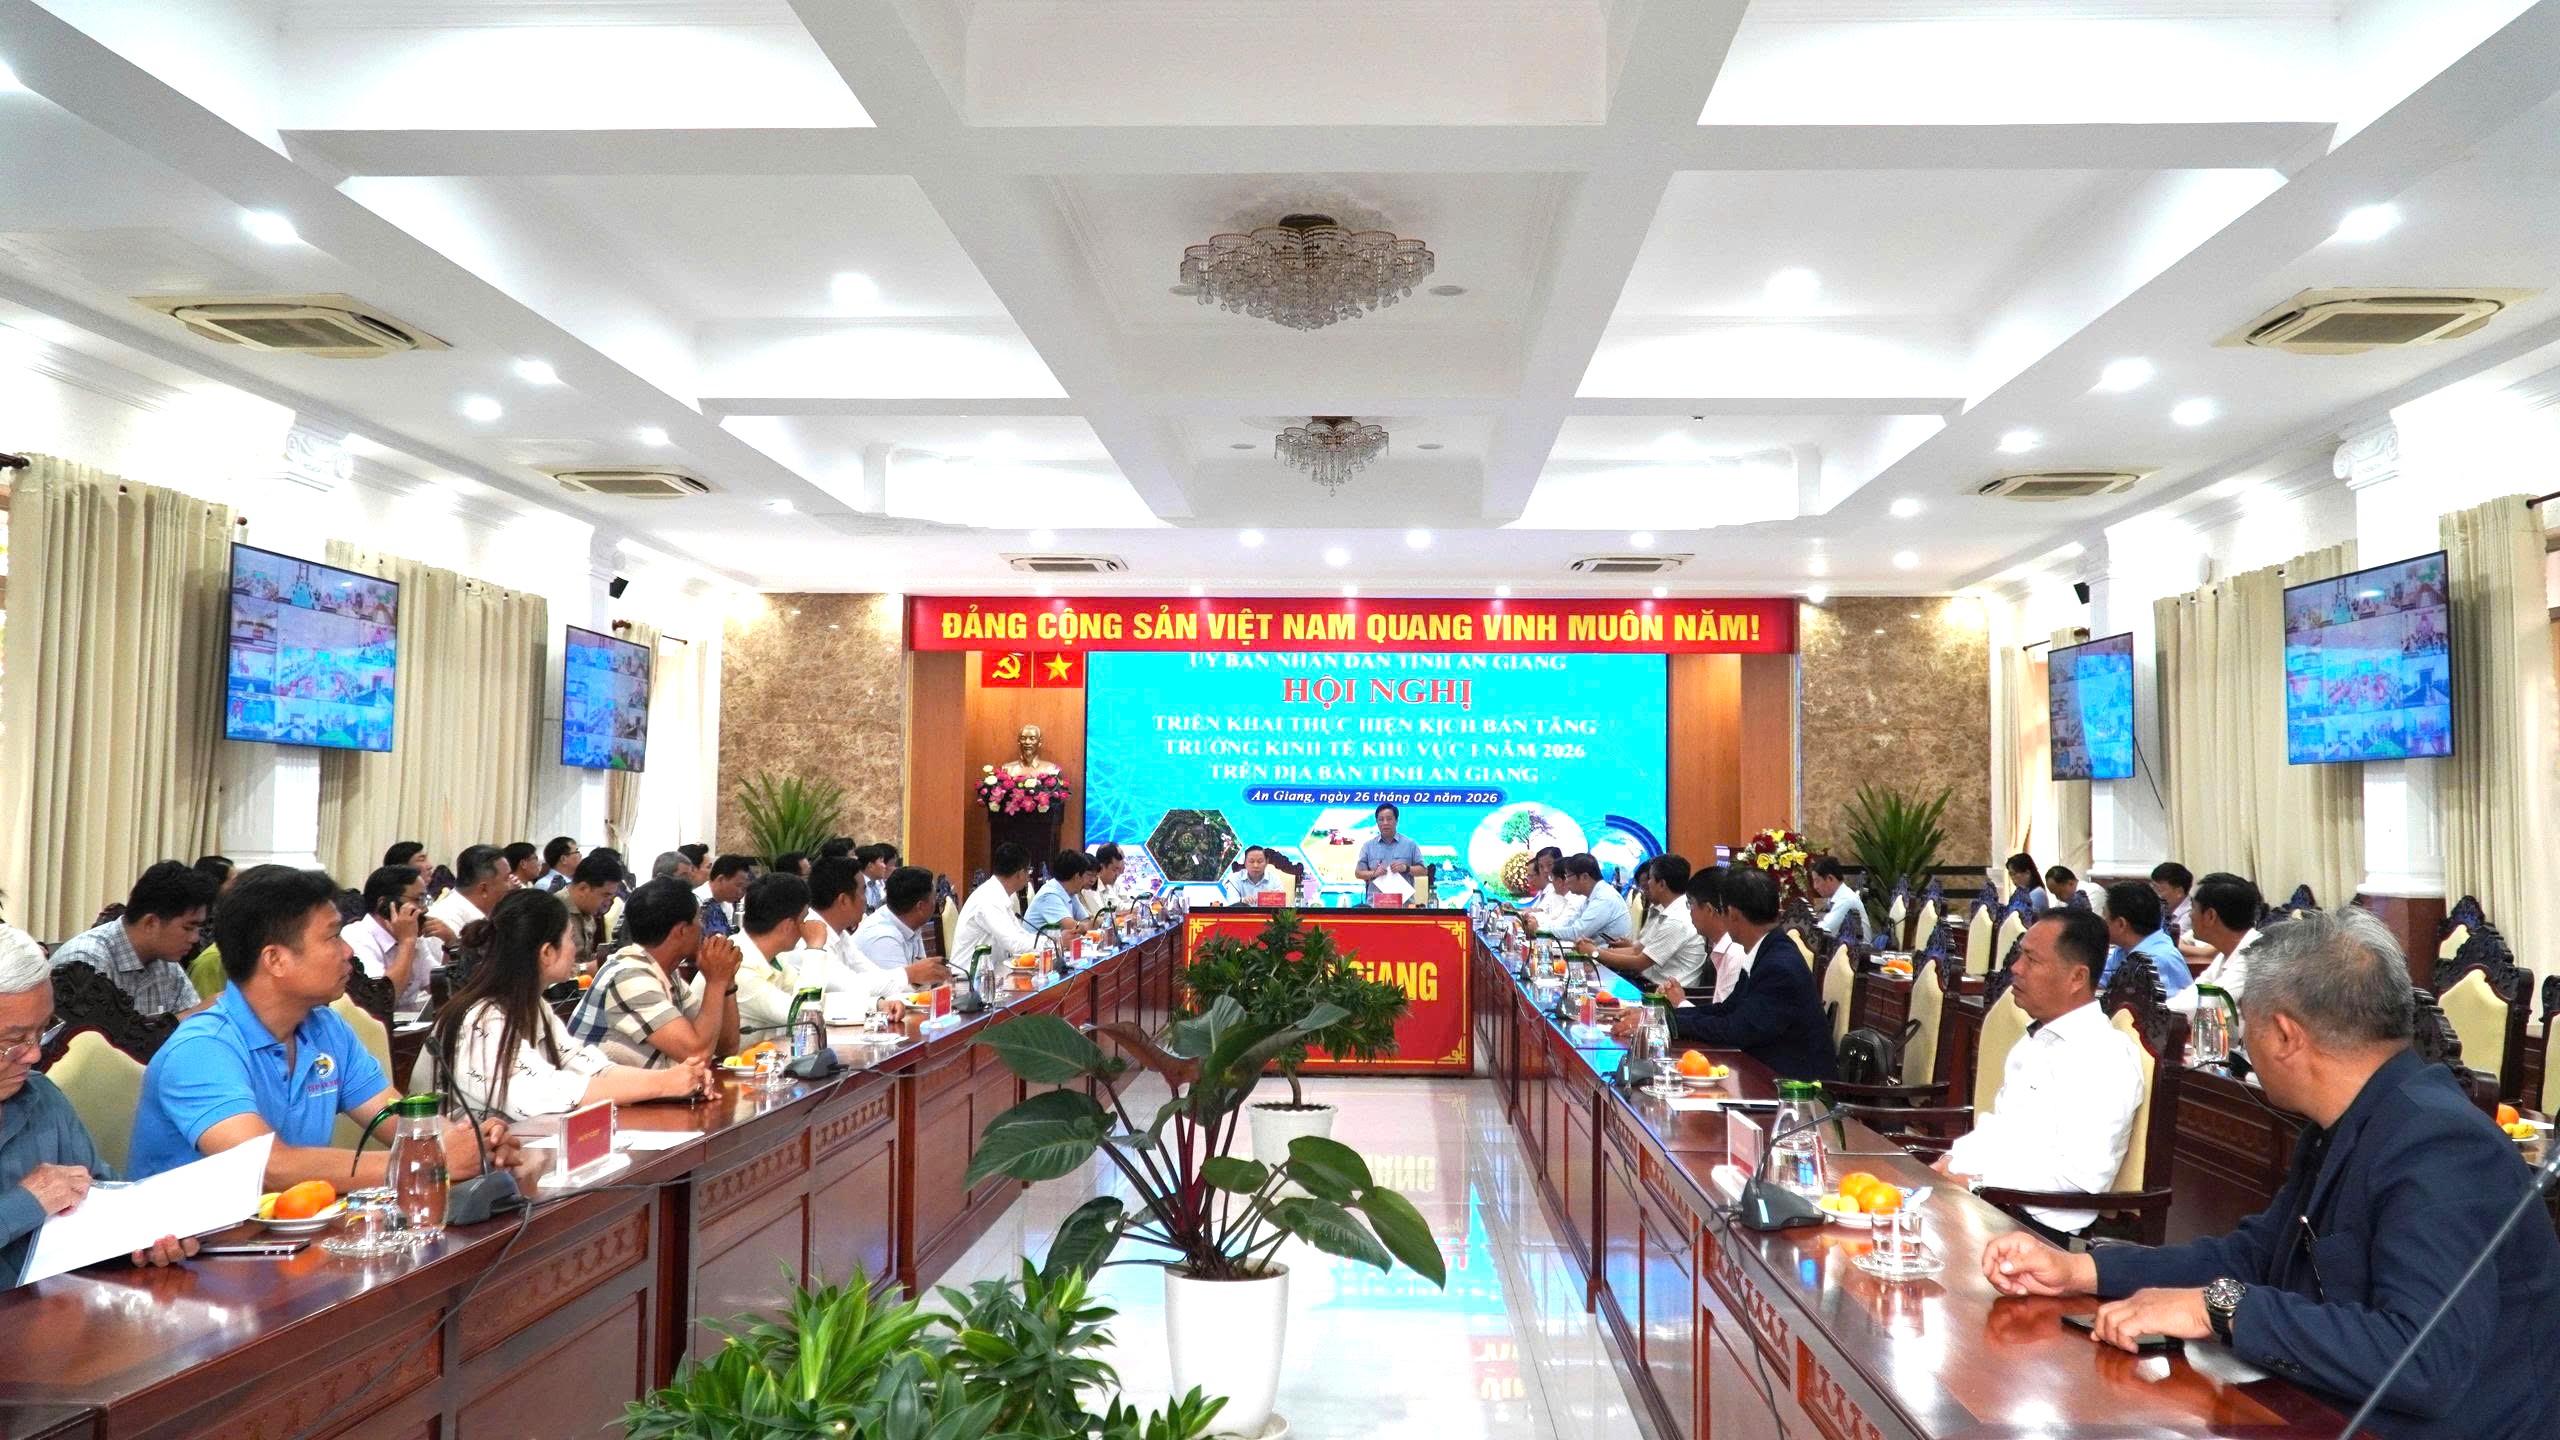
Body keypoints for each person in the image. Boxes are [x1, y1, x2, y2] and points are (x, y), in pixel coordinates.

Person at [1980, 907, 2560, 1440]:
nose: (2242, 1043)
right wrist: (2080, 1270)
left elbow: (2422, 1361)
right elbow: (2256, 1257)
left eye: (2246, 1024)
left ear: (2284, 1035)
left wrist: (2219, 1308)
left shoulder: (2441, 1145)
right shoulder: (2348, 1120)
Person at [127, 866, 523, 1186]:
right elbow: (268, 1167)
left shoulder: (324, 1028)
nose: (348, 951)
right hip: (192, 1251)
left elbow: (392, 1116)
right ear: (275, 960)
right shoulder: (201, 1050)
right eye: (333, 937)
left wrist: (469, 1143)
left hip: (288, 1237)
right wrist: (426, 1161)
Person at [2, 924, 199, 1285]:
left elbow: (102, 1203)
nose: (34, 1054)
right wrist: (27, 1202)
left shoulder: (42, 1098)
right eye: (13, 1041)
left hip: (58, 1306)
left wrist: (144, 1236)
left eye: (42, 1031)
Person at [1935, 909, 2145, 1235]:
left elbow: (2080, 1178)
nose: (2016, 968)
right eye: (2020, 955)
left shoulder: (2103, 1057)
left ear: (2077, 977)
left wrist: (1977, 1182)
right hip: (1990, 1206)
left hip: (2034, 1229)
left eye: (2031, 960)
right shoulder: (2036, 1040)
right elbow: (2000, 1130)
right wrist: (1949, 1162)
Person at [428, 889, 711, 1122]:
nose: (576, 948)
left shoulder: (536, 1006)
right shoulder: (482, 1018)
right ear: (547, 952)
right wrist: (663, 1084)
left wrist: (675, 1079)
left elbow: (591, 1067)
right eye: (570, 938)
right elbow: (547, 1093)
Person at [1622, 866, 1834, 1082]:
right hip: (1761, 1070)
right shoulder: (1767, 949)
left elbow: (1736, 1029)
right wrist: (1657, 1018)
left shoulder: (1778, 966)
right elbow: (1726, 1009)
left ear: (1732, 914)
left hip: (1791, 1087)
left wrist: (1665, 1023)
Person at [566, 878, 742, 1070]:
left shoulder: (666, 974)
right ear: (682, 930)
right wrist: (716, 981)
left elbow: (726, 1048)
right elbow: (698, 1055)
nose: (704, 928)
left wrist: (727, 982)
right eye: (699, 919)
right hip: (600, 1089)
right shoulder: (629, 976)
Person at [50, 860, 219, 1018]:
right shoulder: (86, 962)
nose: (195, 938)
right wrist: (191, 1015)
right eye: (188, 928)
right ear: (151, 923)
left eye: (199, 928)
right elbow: (92, 1038)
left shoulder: (168, 966)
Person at [801, 860, 947, 1006]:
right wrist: (910, 974)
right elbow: (849, 986)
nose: (866, 900)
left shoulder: (840, 934)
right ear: (844, 900)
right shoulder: (809, 937)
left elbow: (873, 973)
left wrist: (914, 976)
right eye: (863, 892)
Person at [1584, 853, 1705, 990]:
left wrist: (1595, 953)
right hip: (1647, 984)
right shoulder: (1667, 912)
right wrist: (1595, 950)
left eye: (1651, 879)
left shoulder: (1677, 920)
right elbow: (1636, 950)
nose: (1648, 883)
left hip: (1664, 994)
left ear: (1662, 884)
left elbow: (1639, 962)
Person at [342, 863, 444, 1010]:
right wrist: (406, 942)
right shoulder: (355, 937)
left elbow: (439, 988)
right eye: (417, 900)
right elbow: (382, 1001)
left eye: (425, 899)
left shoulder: (412, 935)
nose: (424, 908)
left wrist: (450, 944)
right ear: (384, 904)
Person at [732, 874, 817, 1037]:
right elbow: (805, 1015)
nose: (807, 926)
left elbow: (813, 1001)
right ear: (788, 926)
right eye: (804, 919)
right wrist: (815, 949)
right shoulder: (737, 966)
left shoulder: (775, 958)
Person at [2171, 872, 2264, 1017]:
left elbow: (2206, 1005)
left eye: (2193, 908)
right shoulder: (2225, 953)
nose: (2190, 915)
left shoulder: (2257, 956)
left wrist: (2159, 1012)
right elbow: (2196, 991)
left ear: (2210, 916)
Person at [2098, 881, 2193, 996]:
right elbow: (2099, 980)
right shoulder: (2124, 949)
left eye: (2104, 915)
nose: (2101, 921)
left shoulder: (2155, 961)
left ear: (2121, 924)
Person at [954, 844, 1040, 963]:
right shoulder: (988, 898)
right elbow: (1015, 945)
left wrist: (1052, 942)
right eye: (1029, 870)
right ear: (1020, 874)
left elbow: (1020, 935)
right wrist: (1052, 943)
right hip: (971, 973)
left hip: (993, 971)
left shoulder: (998, 894)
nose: (1029, 876)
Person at [852, 867, 941, 981]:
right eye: (934, 898)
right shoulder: (882, 938)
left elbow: (924, 979)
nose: (936, 903)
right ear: (920, 906)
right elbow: (901, 987)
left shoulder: (911, 924)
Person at [1687, 867, 1751, 1003]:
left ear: (1709, 909)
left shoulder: (1735, 953)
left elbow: (1725, 1014)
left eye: (1690, 904)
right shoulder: (1725, 946)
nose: (1690, 912)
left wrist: (1680, 1002)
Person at [1542, 854, 1632, 946]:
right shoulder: (1591, 896)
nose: (1566, 881)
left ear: (1584, 877)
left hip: (1609, 953)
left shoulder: (1604, 898)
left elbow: (1577, 933)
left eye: (1568, 876)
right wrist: (1542, 929)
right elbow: (1570, 923)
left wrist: (1542, 932)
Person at [430, 845, 510, 935]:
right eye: (506, 879)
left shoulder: (491, 915)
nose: (511, 885)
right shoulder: (446, 921)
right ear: (483, 889)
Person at [560, 851, 625, 963]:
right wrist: (587, 968)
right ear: (583, 889)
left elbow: (584, 958)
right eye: (606, 895)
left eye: (612, 897)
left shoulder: (589, 912)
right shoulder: (553, 912)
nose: (608, 903)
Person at [1352, 803, 1424, 902]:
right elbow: (1358, 873)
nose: (1385, 823)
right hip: (1374, 906)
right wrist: (1374, 873)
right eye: (1381, 819)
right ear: (1377, 822)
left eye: (1389, 819)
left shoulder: (1410, 845)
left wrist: (1406, 868)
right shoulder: (1368, 846)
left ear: (1396, 821)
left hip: (1404, 907)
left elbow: (1423, 871)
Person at [1025, 851, 1097, 936]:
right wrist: (1096, 922)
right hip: (1037, 944)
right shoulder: (1049, 895)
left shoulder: (1070, 891)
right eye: (1086, 876)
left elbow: (1085, 920)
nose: (1085, 881)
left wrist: (1087, 925)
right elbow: (1073, 928)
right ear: (1077, 876)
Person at [693, 854, 754, 939]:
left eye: (743, 888)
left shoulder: (727, 905)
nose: (740, 892)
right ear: (721, 879)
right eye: (738, 885)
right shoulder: (695, 901)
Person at [1809, 856, 1863, 937]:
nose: (1815, 887)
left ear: (1830, 878)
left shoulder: (1846, 899)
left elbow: (1824, 930)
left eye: (1817, 881)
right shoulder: (1839, 897)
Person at [1224, 847, 1290, 906]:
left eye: (1260, 861)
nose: (1255, 865)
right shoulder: (1235, 878)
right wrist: (1243, 900)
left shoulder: (1275, 879)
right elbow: (1231, 902)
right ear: (1245, 863)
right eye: (1251, 861)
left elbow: (1282, 904)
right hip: (1242, 915)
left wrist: (1270, 898)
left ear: (1266, 862)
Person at [1079, 843, 1129, 920]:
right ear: (1102, 867)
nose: (1118, 874)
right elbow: (1101, 916)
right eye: (1114, 870)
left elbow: (1119, 906)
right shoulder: (1089, 886)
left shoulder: (1109, 884)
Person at [857, 845, 897, 911]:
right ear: (870, 866)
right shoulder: (858, 885)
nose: (884, 866)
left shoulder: (876, 883)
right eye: (881, 861)